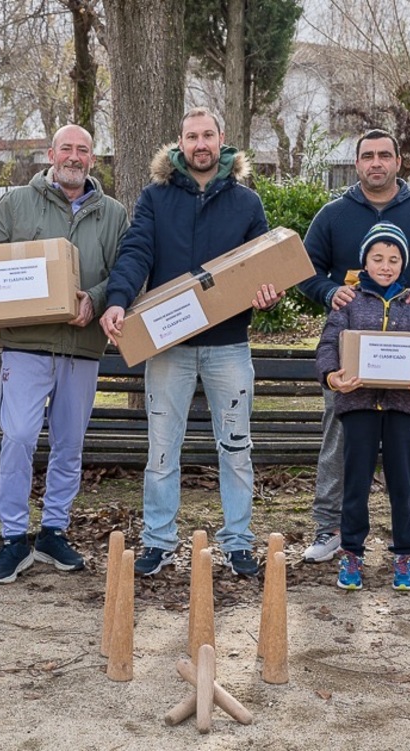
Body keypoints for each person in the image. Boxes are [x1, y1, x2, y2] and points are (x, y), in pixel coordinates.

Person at [99, 107, 281, 578]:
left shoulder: (247, 203)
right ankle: (159, 541)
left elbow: (263, 265)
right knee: (162, 450)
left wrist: (268, 294)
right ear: (179, 144)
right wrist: (118, 300)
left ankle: (238, 542)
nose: (200, 144)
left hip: (229, 346)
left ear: (222, 139)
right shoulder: (155, 198)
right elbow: (136, 252)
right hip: (169, 348)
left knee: (236, 448)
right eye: (192, 137)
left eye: (208, 135)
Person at [0, 124, 128, 584]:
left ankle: (53, 531)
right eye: (66, 148)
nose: (74, 156)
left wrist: (95, 299)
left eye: (83, 150)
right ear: (51, 154)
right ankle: (14, 537)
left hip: (82, 349)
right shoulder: (17, 203)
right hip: (26, 346)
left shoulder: (113, 214)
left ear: (93, 159)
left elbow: (126, 272)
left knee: (69, 445)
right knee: (18, 437)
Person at [297, 128, 410, 567]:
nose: (376, 163)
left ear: (398, 161)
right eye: (367, 155)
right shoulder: (333, 215)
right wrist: (329, 292)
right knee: (339, 440)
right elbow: (305, 268)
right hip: (351, 354)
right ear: (357, 164)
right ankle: (330, 526)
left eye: (384, 155)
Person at [316, 223, 410, 591]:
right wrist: (332, 377)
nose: (386, 265)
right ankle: (351, 553)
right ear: (364, 262)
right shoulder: (349, 302)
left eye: (394, 259)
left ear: (403, 264)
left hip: (404, 406)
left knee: (403, 484)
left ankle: (405, 553)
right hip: (358, 404)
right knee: (355, 482)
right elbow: (328, 344)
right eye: (378, 258)